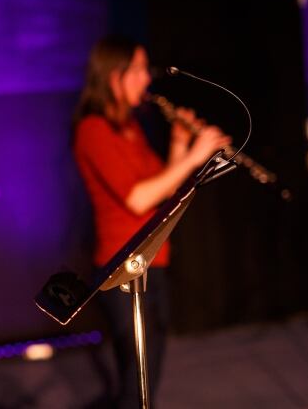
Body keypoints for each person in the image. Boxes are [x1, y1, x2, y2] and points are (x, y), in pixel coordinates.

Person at [72, 36, 230, 408]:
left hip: (152, 262)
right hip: (122, 268)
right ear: (115, 77)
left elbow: (162, 185)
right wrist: (195, 156)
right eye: (140, 70)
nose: (147, 79)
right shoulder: (93, 129)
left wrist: (178, 145)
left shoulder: (130, 126)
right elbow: (138, 198)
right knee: (135, 382)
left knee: (147, 378)